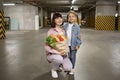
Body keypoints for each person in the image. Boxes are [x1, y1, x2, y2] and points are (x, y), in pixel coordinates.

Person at [44, 13, 72, 78]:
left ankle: (59, 65)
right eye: (57, 18)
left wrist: (65, 51)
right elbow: (47, 47)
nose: (59, 20)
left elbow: (64, 43)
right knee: (58, 59)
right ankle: (53, 69)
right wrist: (57, 52)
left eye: (60, 18)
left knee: (69, 68)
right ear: (54, 21)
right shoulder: (51, 31)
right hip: (52, 54)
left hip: (63, 54)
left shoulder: (63, 31)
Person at [63, 11, 82, 75]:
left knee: (72, 57)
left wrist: (78, 45)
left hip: (73, 45)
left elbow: (79, 37)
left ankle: (72, 69)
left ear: (75, 18)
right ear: (67, 18)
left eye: (73, 16)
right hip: (66, 44)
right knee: (67, 56)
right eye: (69, 16)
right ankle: (68, 67)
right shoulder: (65, 25)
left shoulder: (77, 26)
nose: (71, 18)